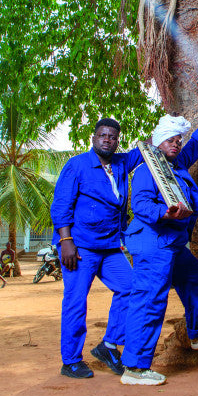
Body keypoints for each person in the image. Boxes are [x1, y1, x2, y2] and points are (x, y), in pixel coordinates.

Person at [120, 96, 198, 386]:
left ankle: (197, 330)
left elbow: (195, 146)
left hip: (172, 244)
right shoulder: (148, 170)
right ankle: (135, 368)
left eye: (177, 140)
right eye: (170, 140)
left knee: (195, 277)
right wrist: (165, 212)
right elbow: (140, 204)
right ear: (157, 143)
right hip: (153, 243)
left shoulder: (175, 167)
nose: (175, 144)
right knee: (150, 300)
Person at [51, 118, 144, 379]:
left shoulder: (121, 163)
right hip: (80, 247)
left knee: (131, 287)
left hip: (110, 246)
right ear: (94, 138)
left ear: (117, 141)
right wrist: (65, 241)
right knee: (76, 301)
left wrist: (170, 128)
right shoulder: (77, 165)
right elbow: (61, 205)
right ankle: (71, 361)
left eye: (112, 137)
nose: (107, 140)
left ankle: (109, 345)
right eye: (103, 135)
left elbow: (146, 148)